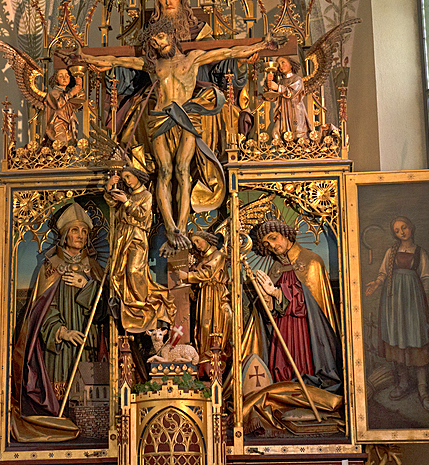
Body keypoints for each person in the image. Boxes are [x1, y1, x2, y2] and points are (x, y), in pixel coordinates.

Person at [67, 23, 284, 251]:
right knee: (165, 171)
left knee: (182, 169)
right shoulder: (153, 65)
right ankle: (170, 227)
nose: (157, 44)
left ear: (171, 36)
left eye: (160, 38)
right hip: (160, 117)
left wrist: (263, 44)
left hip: (187, 116)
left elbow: (228, 52)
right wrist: (83, 55)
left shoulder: (192, 59)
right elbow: (114, 60)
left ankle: (182, 225)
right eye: (153, 42)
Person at [10, 202, 105, 442]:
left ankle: (90, 435)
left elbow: (105, 309)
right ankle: (59, 428)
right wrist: (61, 332)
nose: (80, 236)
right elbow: (42, 308)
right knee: (61, 394)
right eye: (75, 230)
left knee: (88, 398)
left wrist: (88, 286)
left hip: (88, 341)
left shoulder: (94, 268)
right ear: (64, 235)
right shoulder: (51, 267)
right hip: (58, 347)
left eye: (84, 232)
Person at [248, 219, 340, 390]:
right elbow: (269, 315)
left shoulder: (312, 261)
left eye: (273, 238)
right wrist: (266, 299)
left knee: (303, 366)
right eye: (267, 244)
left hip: (306, 330)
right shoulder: (275, 269)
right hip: (282, 331)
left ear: (285, 234)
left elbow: (313, 307)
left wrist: (276, 293)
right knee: (281, 370)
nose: (273, 246)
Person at [364, 216, 429, 411]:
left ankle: (423, 390)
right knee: (397, 341)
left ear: (410, 227)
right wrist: (376, 283)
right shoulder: (391, 252)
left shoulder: (421, 252)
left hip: (414, 302)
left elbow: (427, 278)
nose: (402, 232)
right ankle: (403, 383)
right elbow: (382, 274)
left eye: (403, 227)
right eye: (397, 230)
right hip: (394, 303)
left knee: (416, 340)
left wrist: (426, 303)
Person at [104, 167, 176, 333]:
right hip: (122, 239)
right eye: (124, 178)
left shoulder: (146, 195)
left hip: (137, 237)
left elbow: (142, 215)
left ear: (138, 176)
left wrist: (126, 202)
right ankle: (129, 305)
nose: (127, 181)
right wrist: (110, 186)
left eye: (129, 176)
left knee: (134, 271)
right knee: (120, 273)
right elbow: (111, 202)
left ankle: (142, 305)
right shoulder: (127, 195)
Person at [177, 230, 230, 364]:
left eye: (198, 241)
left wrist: (187, 277)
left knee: (214, 324)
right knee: (202, 326)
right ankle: (203, 357)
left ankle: (214, 356)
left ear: (207, 239)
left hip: (216, 293)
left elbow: (209, 273)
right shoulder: (201, 260)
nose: (197, 245)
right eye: (194, 243)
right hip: (204, 294)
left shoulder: (218, 255)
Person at [265, 56, 312, 139]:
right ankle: (281, 150)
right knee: (276, 133)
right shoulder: (281, 81)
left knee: (297, 136)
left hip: (295, 112)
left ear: (291, 64)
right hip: (283, 113)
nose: (281, 66)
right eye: (279, 64)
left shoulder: (297, 79)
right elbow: (273, 97)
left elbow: (291, 92)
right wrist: (269, 83)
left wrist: (278, 88)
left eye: (283, 62)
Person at [44, 68, 84, 145]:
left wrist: (79, 87)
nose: (64, 78)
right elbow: (59, 104)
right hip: (57, 125)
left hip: (69, 125)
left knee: (69, 147)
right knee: (60, 146)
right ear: (56, 80)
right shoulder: (53, 93)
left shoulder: (66, 93)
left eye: (67, 76)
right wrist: (71, 93)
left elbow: (78, 104)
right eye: (61, 76)